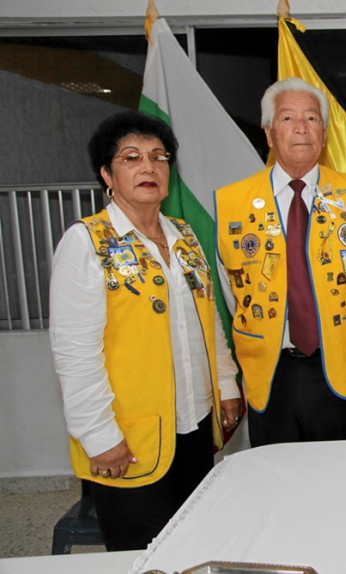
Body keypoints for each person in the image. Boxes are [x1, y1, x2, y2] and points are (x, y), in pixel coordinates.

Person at [49, 111, 241, 550]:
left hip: (192, 424)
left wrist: (226, 385)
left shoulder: (183, 236)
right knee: (143, 554)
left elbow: (208, 321)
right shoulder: (87, 242)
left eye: (159, 157)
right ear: (106, 174)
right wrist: (100, 438)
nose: (148, 167)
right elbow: (75, 354)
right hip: (128, 438)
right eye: (131, 157)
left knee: (193, 545)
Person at [215, 77, 346, 446]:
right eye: (288, 118)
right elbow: (232, 294)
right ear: (270, 133)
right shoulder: (231, 203)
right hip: (272, 371)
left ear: (324, 133)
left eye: (312, 118)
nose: (302, 128)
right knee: (279, 487)